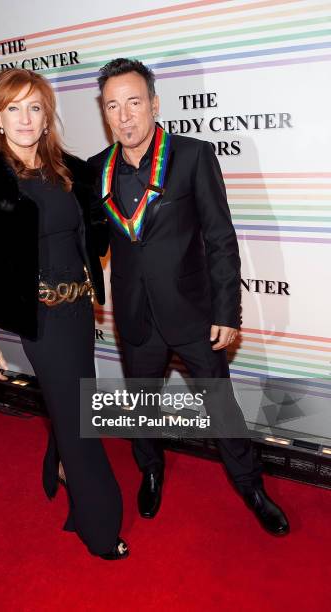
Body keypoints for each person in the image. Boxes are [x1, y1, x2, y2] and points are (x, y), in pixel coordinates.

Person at [88, 58, 289, 536]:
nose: (125, 116)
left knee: (221, 407)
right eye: (113, 106)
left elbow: (221, 238)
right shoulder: (96, 170)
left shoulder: (195, 156)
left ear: (154, 104)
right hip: (135, 315)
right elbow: (94, 241)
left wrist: (227, 310)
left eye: (134, 102)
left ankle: (250, 486)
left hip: (195, 312)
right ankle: (151, 469)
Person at [0, 68, 128, 559]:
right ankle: (100, 528)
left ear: (47, 116)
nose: (26, 118)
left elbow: (95, 235)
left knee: (74, 403)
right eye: (14, 108)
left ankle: (59, 467)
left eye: (35, 107)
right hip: (40, 317)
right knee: (82, 421)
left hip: (78, 313)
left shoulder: (72, 170)